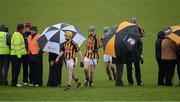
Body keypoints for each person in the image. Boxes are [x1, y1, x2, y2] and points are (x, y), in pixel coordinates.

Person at [126, 18, 144, 86]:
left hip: (135, 53)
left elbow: (140, 44)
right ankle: (132, 82)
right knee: (130, 69)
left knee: (136, 68)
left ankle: (138, 81)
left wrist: (140, 53)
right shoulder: (128, 32)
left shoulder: (136, 33)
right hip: (130, 53)